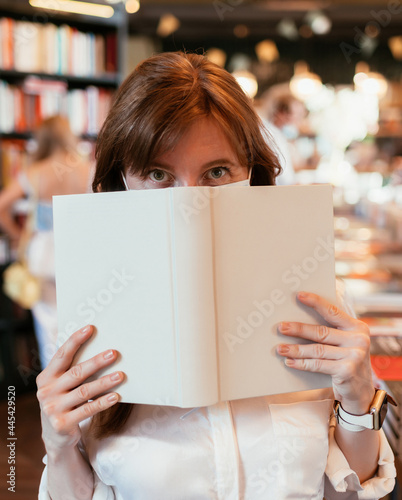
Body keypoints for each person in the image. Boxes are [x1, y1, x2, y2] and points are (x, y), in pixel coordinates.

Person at [36, 52, 395, 499]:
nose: (191, 203)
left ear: (252, 175)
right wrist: (59, 441)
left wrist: (359, 402)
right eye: (158, 174)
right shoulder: (97, 314)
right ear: (121, 183)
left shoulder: (318, 297)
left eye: (217, 172)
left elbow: (348, 493)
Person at [0, 116, 90, 368]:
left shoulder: (35, 172)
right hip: (77, 251)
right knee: (82, 320)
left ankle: (54, 388)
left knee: (49, 324)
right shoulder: (86, 168)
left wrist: (18, 236)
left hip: (43, 253)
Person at [257, 92, 306, 186]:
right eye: (297, 115)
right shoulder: (272, 136)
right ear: (281, 113)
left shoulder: (277, 134)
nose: (299, 121)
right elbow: (285, 179)